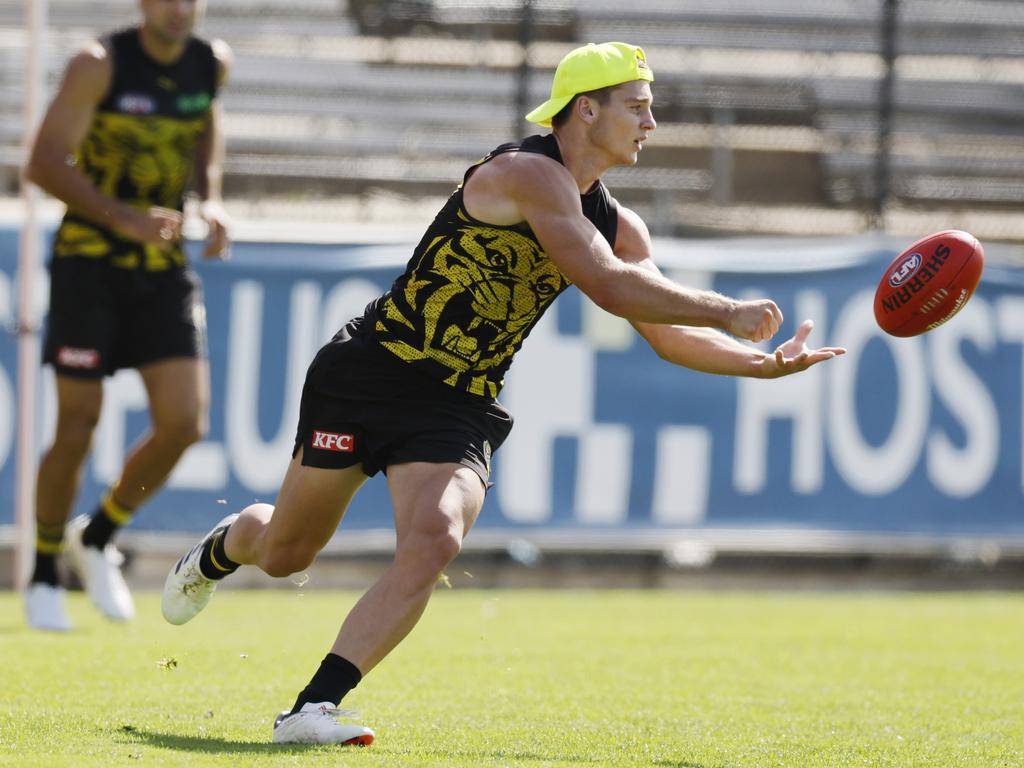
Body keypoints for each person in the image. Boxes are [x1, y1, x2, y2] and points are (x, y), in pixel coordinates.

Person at [161, 41, 846, 745]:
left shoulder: (622, 225)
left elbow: (664, 336)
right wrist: (722, 308)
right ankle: (226, 544)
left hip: (455, 402)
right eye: (638, 107)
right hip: (370, 372)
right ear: (587, 109)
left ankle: (312, 708)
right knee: (284, 553)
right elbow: (608, 285)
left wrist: (759, 364)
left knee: (435, 536)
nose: (651, 123)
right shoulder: (525, 173)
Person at [23, 0, 231, 632]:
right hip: (90, 264)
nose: (179, 9)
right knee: (77, 425)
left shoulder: (210, 64)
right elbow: (42, 163)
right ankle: (42, 572)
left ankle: (99, 535)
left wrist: (213, 201)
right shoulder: (98, 64)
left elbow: (205, 132)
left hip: (162, 269)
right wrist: (126, 219)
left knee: (184, 423)